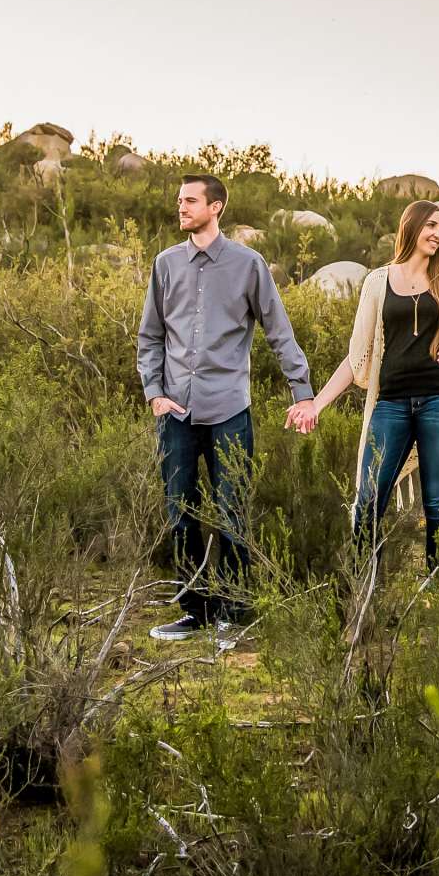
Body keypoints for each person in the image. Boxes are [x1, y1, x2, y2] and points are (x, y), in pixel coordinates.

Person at [287, 199, 439, 575]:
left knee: (438, 506)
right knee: (368, 500)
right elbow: (357, 358)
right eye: (432, 226)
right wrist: (316, 404)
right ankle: (364, 593)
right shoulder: (378, 282)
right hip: (390, 404)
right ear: (412, 227)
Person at [137, 173, 313, 642]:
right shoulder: (166, 264)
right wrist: (154, 392)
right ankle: (193, 611)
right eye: (179, 200)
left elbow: (279, 331)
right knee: (180, 512)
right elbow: (150, 336)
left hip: (229, 408)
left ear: (216, 207)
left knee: (232, 511)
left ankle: (233, 615)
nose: (182, 208)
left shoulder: (247, 265)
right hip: (175, 411)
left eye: (191, 200)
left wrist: (303, 392)